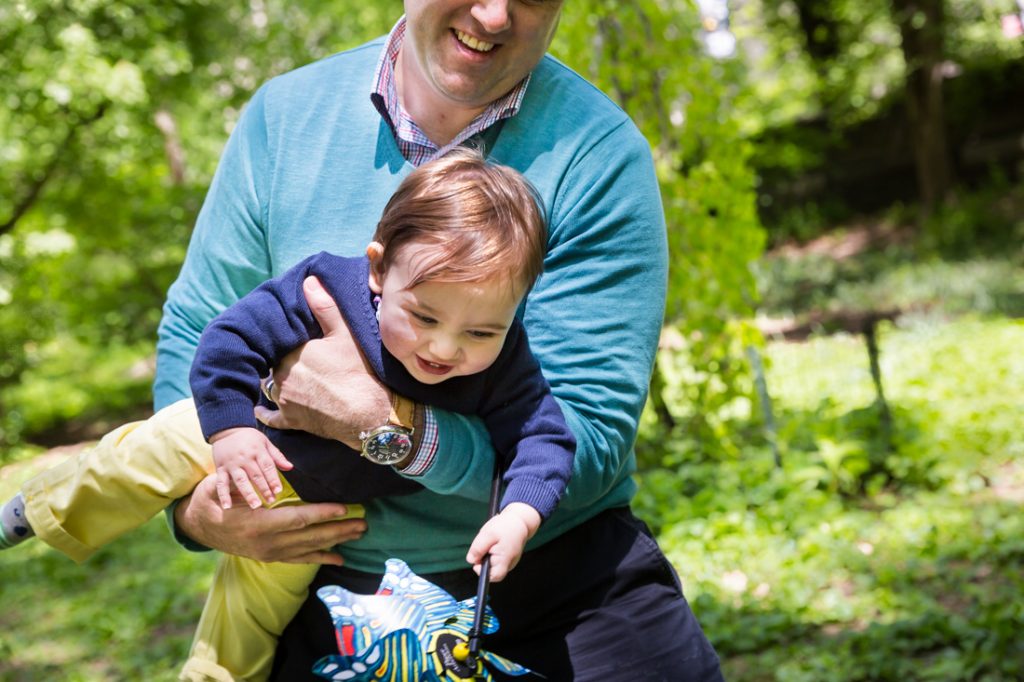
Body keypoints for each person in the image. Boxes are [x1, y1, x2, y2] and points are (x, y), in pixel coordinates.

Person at [159, 2, 725, 680]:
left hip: (562, 599)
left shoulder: (596, 154)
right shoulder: (284, 119)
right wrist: (196, 507)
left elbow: (589, 438)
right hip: (329, 597)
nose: (492, 13)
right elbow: (197, 330)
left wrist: (387, 429)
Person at [0, 149, 575, 680]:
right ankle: (40, 511)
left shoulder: (504, 363)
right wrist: (229, 432)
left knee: (250, 615)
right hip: (244, 427)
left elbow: (543, 438)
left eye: (480, 331)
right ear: (379, 270)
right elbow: (230, 340)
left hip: (314, 510)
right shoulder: (329, 286)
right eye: (424, 318)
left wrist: (520, 513)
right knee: (140, 457)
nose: (446, 349)